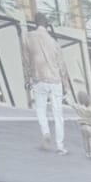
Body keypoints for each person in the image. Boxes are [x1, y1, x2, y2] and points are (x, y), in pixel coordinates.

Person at [23, 13, 71, 155]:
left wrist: (27, 79)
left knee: (40, 109)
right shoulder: (54, 42)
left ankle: (45, 132)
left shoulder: (27, 37)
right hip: (55, 80)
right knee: (58, 114)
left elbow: (25, 61)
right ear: (46, 24)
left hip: (39, 79)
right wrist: (66, 86)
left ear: (35, 23)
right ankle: (60, 146)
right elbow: (62, 66)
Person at [74, 90, 91, 160]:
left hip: (83, 126)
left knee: (85, 140)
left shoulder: (79, 108)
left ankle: (87, 153)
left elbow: (73, 106)